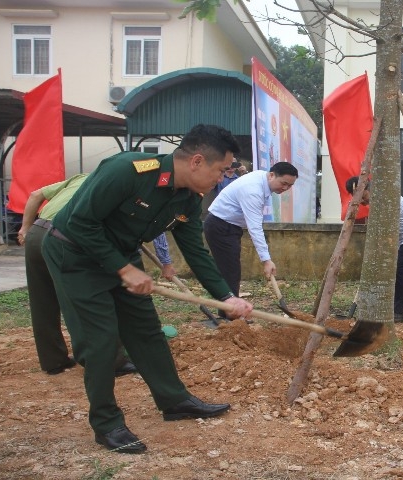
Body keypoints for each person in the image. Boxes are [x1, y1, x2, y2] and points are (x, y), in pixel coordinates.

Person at [41, 124, 254, 454]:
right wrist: (123, 269)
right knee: (101, 341)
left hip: (121, 254)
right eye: (221, 170)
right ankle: (107, 423)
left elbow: (195, 251)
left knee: (146, 331)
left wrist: (225, 297)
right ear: (197, 161)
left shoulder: (187, 198)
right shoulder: (127, 171)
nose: (223, 178)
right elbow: (80, 223)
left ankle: (175, 400)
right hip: (75, 254)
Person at [18, 175, 136, 376]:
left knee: (43, 300)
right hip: (66, 237)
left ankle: (53, 361)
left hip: (37, 233)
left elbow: (36, 195)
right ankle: (111, 362)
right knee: (93, 296)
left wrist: (25, 228)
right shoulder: (120, 186)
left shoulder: (84, 176)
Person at [203, 161, 299, 300]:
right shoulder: (253, 190)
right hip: (220, 226)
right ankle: (230, 314)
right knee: (230, 271)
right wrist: (266, 260)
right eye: (283, 183)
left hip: (229, 226)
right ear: (272, 175)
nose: (286, 188)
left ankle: (228, 310)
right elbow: (254, 227)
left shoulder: (262, 179)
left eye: (290, 185)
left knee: (230, 270)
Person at [346, 176, 403, 322]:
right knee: (393, 269)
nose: (362, 201)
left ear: (369, 188)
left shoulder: (384, 198)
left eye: (363, 196)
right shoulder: (378, 198)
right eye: (358, 198)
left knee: (399, 269)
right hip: (402, 236)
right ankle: (389, 305)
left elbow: (383, 228)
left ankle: (399, 312)